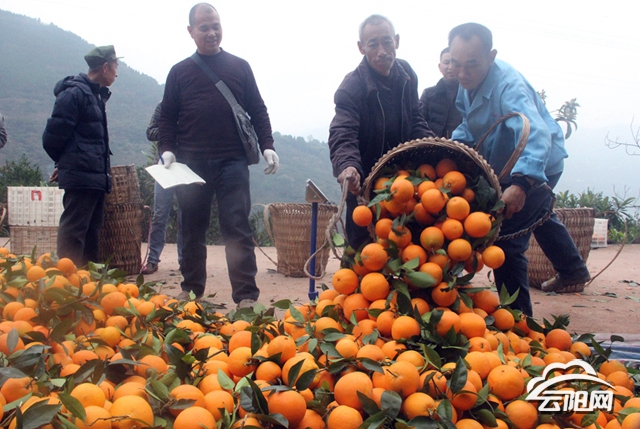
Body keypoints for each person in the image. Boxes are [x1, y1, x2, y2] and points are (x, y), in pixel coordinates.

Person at [449, 23, 590, 316]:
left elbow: (535, 133)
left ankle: (517, 321)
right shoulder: (468, 83)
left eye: (471, 65)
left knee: (507, 237)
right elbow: (469, 125)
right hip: (508, 162)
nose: (462, 73)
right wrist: (451, 149)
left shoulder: (509, 86)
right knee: (538, 214)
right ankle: (572, 268)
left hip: (538, 163)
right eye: (456, 64)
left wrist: (522, 183)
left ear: (491, 57)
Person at [158, 3, 279, 308]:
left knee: (237, 227)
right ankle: (191, 291)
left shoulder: (240, 67)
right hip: (190, 164)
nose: (212, 32)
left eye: (216, 26)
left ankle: (246, 297)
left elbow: (258, 109)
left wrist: (268, 145)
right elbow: (167, 117)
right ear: (191, 31)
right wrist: (167, 150)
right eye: (204, 27)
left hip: (232, 162)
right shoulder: (179, 72)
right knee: (190, 228)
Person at [328, 14, 433, 250]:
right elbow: (343, 132)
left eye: (387, 42)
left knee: (407, 249)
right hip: (365, 184)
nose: (382, 51)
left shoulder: (406, 75)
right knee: (364, 254)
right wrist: (348, 166)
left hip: (405, 183)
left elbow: (415, 117)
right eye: (373, 44)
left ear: (397, 41)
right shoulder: (352, 87)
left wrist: (432, 146)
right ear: (361, 47)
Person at [43, 45, 120, 266]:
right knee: (74, 231)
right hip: (81, 174)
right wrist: (65, 163)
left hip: (95, 175)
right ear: (104, 67)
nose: (117, 73)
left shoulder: (95, 95)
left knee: (91, 234)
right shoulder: (74, 93)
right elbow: (52, 137)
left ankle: (87, 280)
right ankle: (67, 278)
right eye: (115, 67)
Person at [142, 102, 182, 275]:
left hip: (187, 167)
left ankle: (185, 260)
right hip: (164, 167)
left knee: (186, 216)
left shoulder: (191, 104)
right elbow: (150, 132)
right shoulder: (163, 106)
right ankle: (153, 260)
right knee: (160, 214)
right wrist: (170, 131)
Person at [420, 47, 462, 139]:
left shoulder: (468, 95)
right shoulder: (428, 94)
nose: (450, 67)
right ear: (439, 67)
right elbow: (420, 122)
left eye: (454, 63)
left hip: (460, 146)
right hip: (430, 144)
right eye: (446, 62)